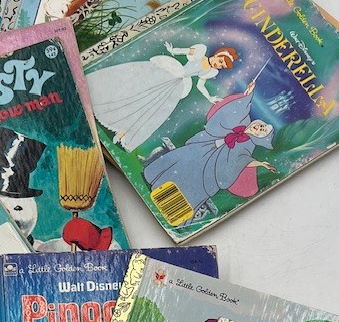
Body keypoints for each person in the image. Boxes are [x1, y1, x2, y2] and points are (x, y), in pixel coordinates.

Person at [142, 82, 278, 222]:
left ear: (259, 137)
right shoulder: (242, 120)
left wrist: (261, 164)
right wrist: (248, 93)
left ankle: (174, 209)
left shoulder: (248, 145)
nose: (258, 128)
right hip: (203, 147)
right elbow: (237, 109)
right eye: (260, 126)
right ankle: (154, 177)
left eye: (261, 131)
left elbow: (243, 160)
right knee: (181, 161)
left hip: (213, 166)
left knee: (196, 182)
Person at [88, 43, 240, 152]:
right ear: (218, 54)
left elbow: (200, 85)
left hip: (177, 86)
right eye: (220, 61)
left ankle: (123, 132)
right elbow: (184, 51)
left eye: (221, 66)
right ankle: (109, 106)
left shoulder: (211, 72)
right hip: (170, 73)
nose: (218, 65)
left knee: (152, 110)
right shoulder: (201, 51)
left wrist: (209, 98)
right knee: (140, 92)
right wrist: (172, 50)